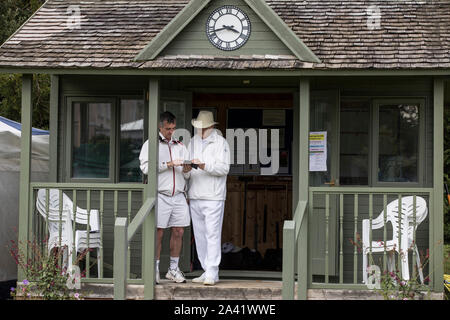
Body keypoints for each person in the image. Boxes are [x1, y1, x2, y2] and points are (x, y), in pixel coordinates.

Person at [139, 111, 191, 284]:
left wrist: (186, 169)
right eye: (168, 128)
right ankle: (154, 270)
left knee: (179, 231)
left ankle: (173, 269)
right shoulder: (151, 144)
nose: (171, 132)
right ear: (160, 127)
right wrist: (169, 164)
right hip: (160, 195)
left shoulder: (180, 146)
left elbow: (186, 176)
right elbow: (146, 168)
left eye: (173, 128)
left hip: (179, 195)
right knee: (159, 233)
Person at [184, 110, 230, 286]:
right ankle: (206, 270)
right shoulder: (193, 142)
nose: (200, 131)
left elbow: (224, 169)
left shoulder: (221, 143)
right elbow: (187, 171)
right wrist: (186, 171)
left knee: (212, 234)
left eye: (203, 128)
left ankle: (213, 271)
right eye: (198, 128)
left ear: (211, 127)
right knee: (200, 235)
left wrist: (204, 165)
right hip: (195, 195)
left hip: (214, 196)